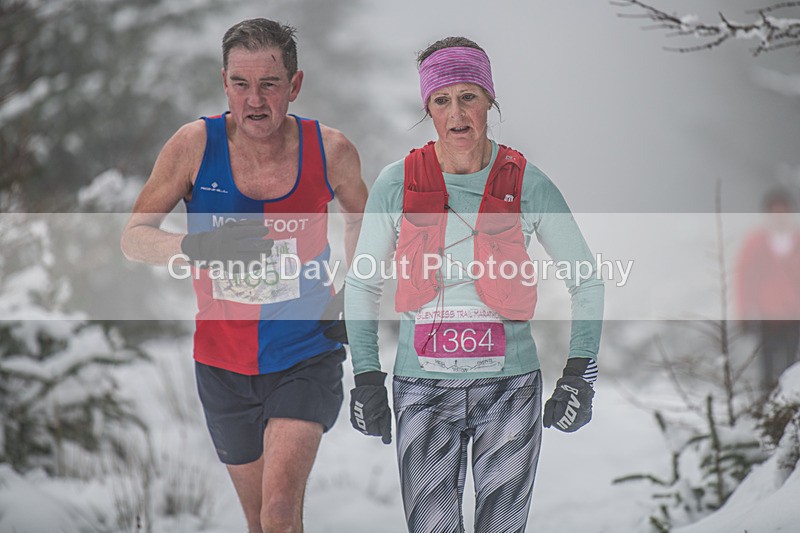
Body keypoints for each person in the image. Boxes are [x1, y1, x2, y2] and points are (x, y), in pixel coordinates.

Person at [344, 37, 604, 533]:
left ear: (490, 101)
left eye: (469, 97)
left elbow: (586, 280)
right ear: (428, 108)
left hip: (510, 388)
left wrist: (580, 373)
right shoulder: (396, 183)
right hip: (422, 388)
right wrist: (366, 377)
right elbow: (362, 286)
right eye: (442, 100)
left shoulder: (527, 182)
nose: (457, 113)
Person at [120, 18, 367, 533]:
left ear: (294, 86)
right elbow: (134, 237)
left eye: (269, 84)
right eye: (241, 83)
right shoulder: (194, 146)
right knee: (258, 521)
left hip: (305, 353)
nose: (254, 101)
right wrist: (198, 247)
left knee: (279, 513)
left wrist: (357, 291)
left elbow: (363, 221)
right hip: (221, 363)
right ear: (224, 82)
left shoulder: (331, 150)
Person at [735, 188, 800, 392]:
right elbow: (744, 279)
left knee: (794, 367)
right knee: (768, 367)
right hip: (767, 315)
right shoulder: (755, 242)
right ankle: (768, 402)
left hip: (795, 315)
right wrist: (744, 312)